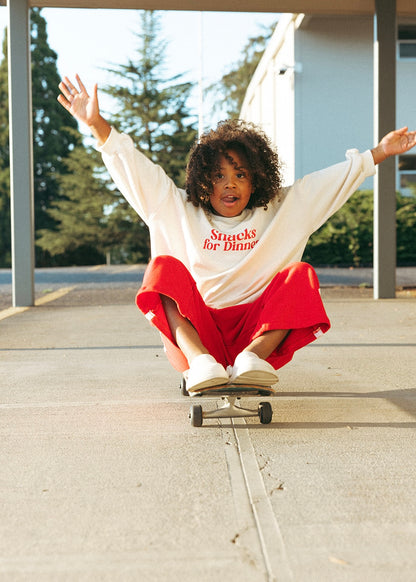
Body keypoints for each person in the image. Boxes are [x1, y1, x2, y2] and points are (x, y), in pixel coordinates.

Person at [58, 74, 416, 395]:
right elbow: (131, 166)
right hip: (198, 333)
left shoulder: (280, 210)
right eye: (218, 175)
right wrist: (97, 125)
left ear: (257, 178)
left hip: (255, 334)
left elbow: (334, 180)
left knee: (300, 275)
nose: (230, 184)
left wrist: (382, 151)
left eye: (241, 174)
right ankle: (201, 364)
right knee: (163, 268)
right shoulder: (176, 208)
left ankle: (251, 361)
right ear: (202, 179)